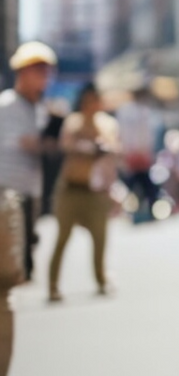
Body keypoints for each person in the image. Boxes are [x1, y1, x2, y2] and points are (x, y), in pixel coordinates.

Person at [47, 83, 119, 302]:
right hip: (71, 188)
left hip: (95, 191)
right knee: (62, 238)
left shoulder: (108, 124)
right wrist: (89, 145)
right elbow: (67, 144)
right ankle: (53, 286)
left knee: (100, 237)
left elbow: (113, 152)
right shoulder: (74, 121)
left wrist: (113, 188)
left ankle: (101, 280)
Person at [0, 42, 57, 280]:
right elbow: (24, 142)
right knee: (12, 256)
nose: (44, 76)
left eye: (46, 71)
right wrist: (47, 144)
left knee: (25, 249)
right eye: (38, 70)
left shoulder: (41, 108)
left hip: (31, 188)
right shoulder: (6, 104)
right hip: (6, 189)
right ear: (22, 72)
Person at [116, 86, 159, 222]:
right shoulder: (129, 111)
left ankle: (149, 210)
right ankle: (129, 212)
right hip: (134, 155)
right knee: (132, 185)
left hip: (139, 155)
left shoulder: (141, 111)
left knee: (145, 185)